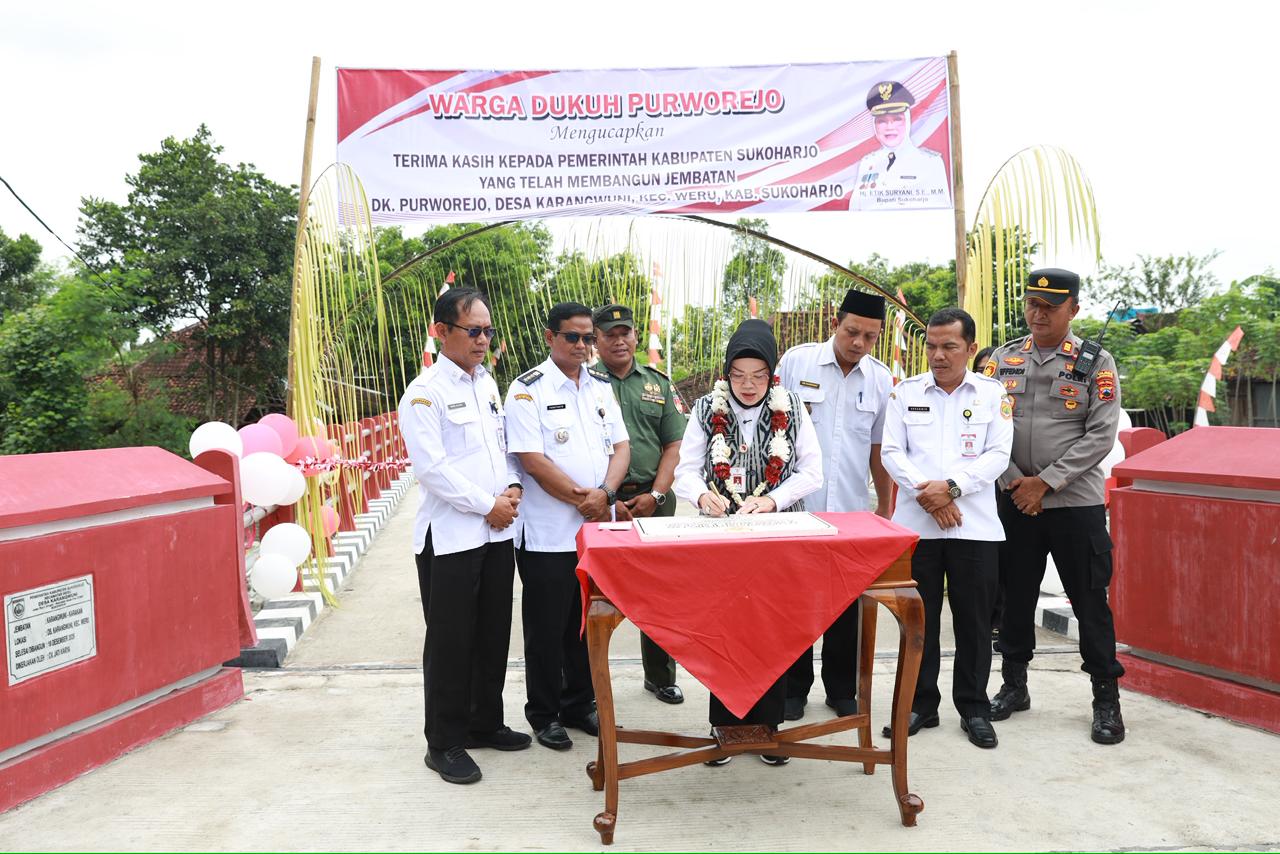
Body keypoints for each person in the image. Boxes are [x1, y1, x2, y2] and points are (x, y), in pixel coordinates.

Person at [985, 268, 1126, 745]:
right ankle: (1014, 686)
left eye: (1050, 306)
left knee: (1089, 601)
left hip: (1074, 504)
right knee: (1015, 598)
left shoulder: (1095, 362)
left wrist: (1043, 483)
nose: (1038, 313)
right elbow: (986, 430)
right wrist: (1012, 481)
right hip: (1014, 500)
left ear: (1074, 309)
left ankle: (1105, 698)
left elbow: (1101, 435)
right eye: (1031, 304)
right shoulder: (1003, 360)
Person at [673, 319, 823, 765]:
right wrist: (701, 494)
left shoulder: (793, 406)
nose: (749, 385)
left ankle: (766, 729)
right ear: (726, 373)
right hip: (722, 539)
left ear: (773, 374)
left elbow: (812, 472)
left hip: (776, 537)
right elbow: (685, 470)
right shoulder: (704, 408)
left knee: (770, 630)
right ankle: (725, 728)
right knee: (725, 630)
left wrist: (773, 501)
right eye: (738, 375)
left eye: (759, 376)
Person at [398, 287, 531, 785]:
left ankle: (484, 722)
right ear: (442, 332)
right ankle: (445, 743)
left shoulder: (488, 385)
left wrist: (512, 485)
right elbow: (431, 469)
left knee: (493, 634)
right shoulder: (424, 392)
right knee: (451, 643)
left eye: (487, 331)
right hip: (452, 538)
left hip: (496, 536)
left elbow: (501, 449)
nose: (482, 340)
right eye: (473, 330)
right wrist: (487, 505)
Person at [880, 308, 1013, 749]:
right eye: (932, 346)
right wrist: (929, 495)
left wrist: (951, 489)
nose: (938, 355)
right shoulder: (905, 394)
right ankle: (920, 704)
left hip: (974, 528)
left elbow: (997, 455)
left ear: (971, 349)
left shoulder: (993, 395)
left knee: (975, 622)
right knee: (919, 620)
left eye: (949, 347)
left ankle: (974, 708)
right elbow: (892, 453)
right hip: (918, 527)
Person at [504, 302, 631, 751]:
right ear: (549, 337)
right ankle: (544, 712)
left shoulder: (599, 388)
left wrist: (606, 495)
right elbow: (532, 461)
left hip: (597, 531)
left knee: (588, 623)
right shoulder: (526, 391)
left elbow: (620, 446)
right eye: (572, 337)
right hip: (548, 534)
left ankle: (581, 703)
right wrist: (585, 499)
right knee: (547, 628)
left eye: (587, 338)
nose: (582, 346)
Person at [776, 288, 894, 721]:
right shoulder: (796, 362)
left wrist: (884, 505)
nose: (859, 343)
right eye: (851, 331)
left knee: (847, 602)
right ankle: (793, 689)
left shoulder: (880, 380)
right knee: (794, 603)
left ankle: (841, 688)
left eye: (869, 336)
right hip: (796, 509)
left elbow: (879, 449)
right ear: (834, 324)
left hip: (849, 511)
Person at [591, 303, 687, 705]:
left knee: (661, 593)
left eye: (625, 332)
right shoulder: (584, 382)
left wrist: (657, 495)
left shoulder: (658, 384)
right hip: (599, 503)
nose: (619, 340)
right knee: (595, 595)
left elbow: (675, 444)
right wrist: (610, 500)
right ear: (595, 339)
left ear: (634, 336)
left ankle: (660, 676)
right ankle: (588, 686)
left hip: (654, 499)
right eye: (609, 334)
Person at [851, 80, 951, 211]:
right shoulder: (867, 163)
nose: (889, 127)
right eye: (882, 121)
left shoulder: (931, 163)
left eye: (897, 119)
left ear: (908, 121)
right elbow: (854, 213)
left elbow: (941, 214)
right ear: (875, 126)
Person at [971, 345, 1002, 642]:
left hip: (1012, 491)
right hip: (974, 493)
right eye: (982, 370)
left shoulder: (997, 397)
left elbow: (1002, 449)